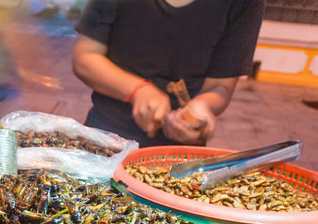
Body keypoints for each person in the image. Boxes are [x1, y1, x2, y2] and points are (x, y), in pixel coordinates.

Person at [71, 0, 265, 147]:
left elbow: (220, 85)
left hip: (181, 153)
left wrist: (202, 108)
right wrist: (138, 90)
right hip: (106, 135)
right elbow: (85, 57)